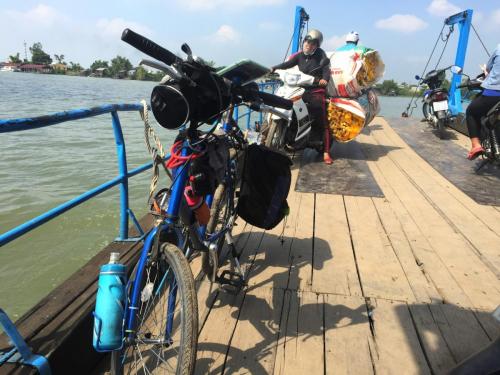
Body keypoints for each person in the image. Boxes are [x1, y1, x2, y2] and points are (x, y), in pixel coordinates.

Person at [271, 29, 333, 164]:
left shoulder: (321, 57)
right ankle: (292, 138)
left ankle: (326, 151)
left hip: (317, 90)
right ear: (304, 42)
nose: (308, 45)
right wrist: (275, 68)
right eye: (307, 42)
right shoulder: (299, 56)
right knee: (290, 106)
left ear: (316, 46)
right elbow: (288, 64)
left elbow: (326, 71)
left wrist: (324, 80)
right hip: (301, 87)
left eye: (312, 44)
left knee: (320, 118)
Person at [466, 43, 500, 160]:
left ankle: (476, 145)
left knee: (471, 111)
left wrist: (486, 73)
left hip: (494, 93)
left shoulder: (498, 48)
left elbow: (489, 69)